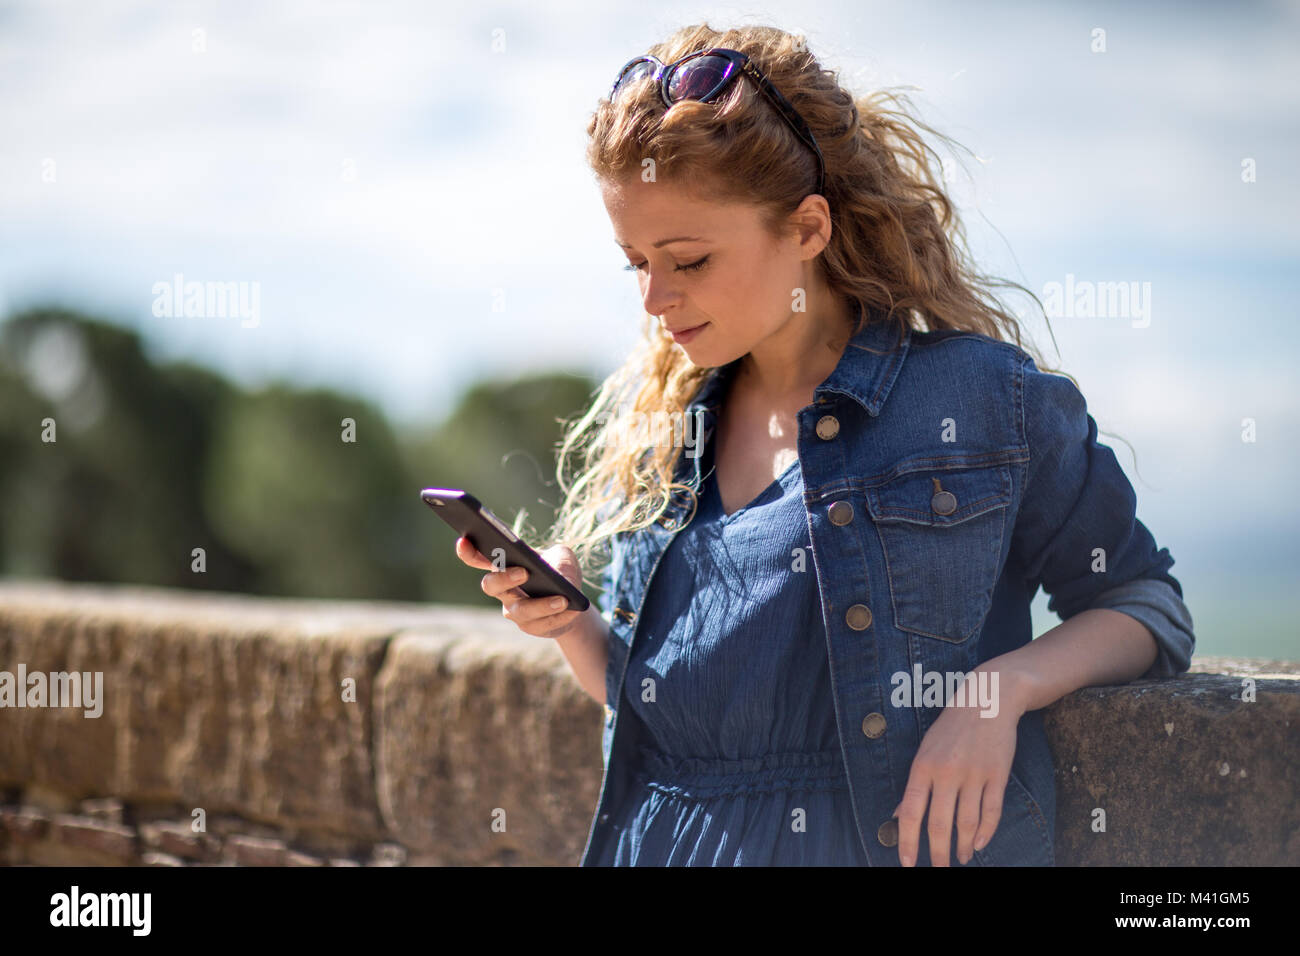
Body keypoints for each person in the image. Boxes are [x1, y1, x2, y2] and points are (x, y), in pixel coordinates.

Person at [454, 22, 1195, 866]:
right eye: (635, 264)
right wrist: (574, 626)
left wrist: (997, 693)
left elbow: (1143, 605)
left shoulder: (987, 399)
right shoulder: (664, 433)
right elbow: (662, 717)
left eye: (688, 259)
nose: (655, 298)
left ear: (808, 228)